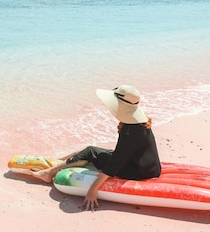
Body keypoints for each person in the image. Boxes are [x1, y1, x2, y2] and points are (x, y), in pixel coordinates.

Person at [29, 85, 161, 211]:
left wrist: (92, 190)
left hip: (136, 171)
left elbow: (115, 163)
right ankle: (57, 162)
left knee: (90, 151)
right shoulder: (139, 123)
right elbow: (126, 151)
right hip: (149, 167)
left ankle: (48, 173)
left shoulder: (130, 130)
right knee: (90, 150)